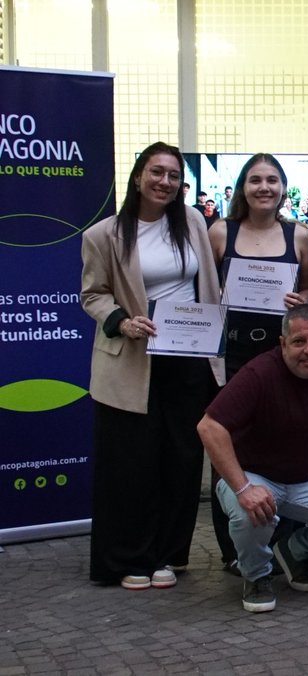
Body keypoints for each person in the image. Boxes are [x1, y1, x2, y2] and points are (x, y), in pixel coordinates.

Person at [80, 142, 222, 590]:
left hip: (189, 360)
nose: (165, 182)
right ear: (138, 176)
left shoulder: (194, 223)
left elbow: (210, 283)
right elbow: (92, 295)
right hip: (132, 363)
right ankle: (128, 558)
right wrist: (122, 321)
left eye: (174, 176)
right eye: (156, 172)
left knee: (181, 460)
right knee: (131, 464)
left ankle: (167, 555)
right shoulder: (103, 235)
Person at [197, 305, 308, 613]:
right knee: (250, 511)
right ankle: (256, 576)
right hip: (253, 475)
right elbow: (209, 427)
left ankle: (294, 551)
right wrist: (242, 487)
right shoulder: (258, 373)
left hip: (307, 478)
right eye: (299, 342)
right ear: (282, 343)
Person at [206, 153, 308, 573]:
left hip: (282, 357)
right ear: (242, 188)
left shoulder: (300, 235)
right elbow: (203, 286)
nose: (264, 187)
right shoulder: (220, 232)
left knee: (283, 443)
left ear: (283, 189)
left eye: (272, 180)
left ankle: (285, 544)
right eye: (255, 180)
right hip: (231, 354)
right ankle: (234, 551)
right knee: (229, 449)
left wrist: (300, 300)